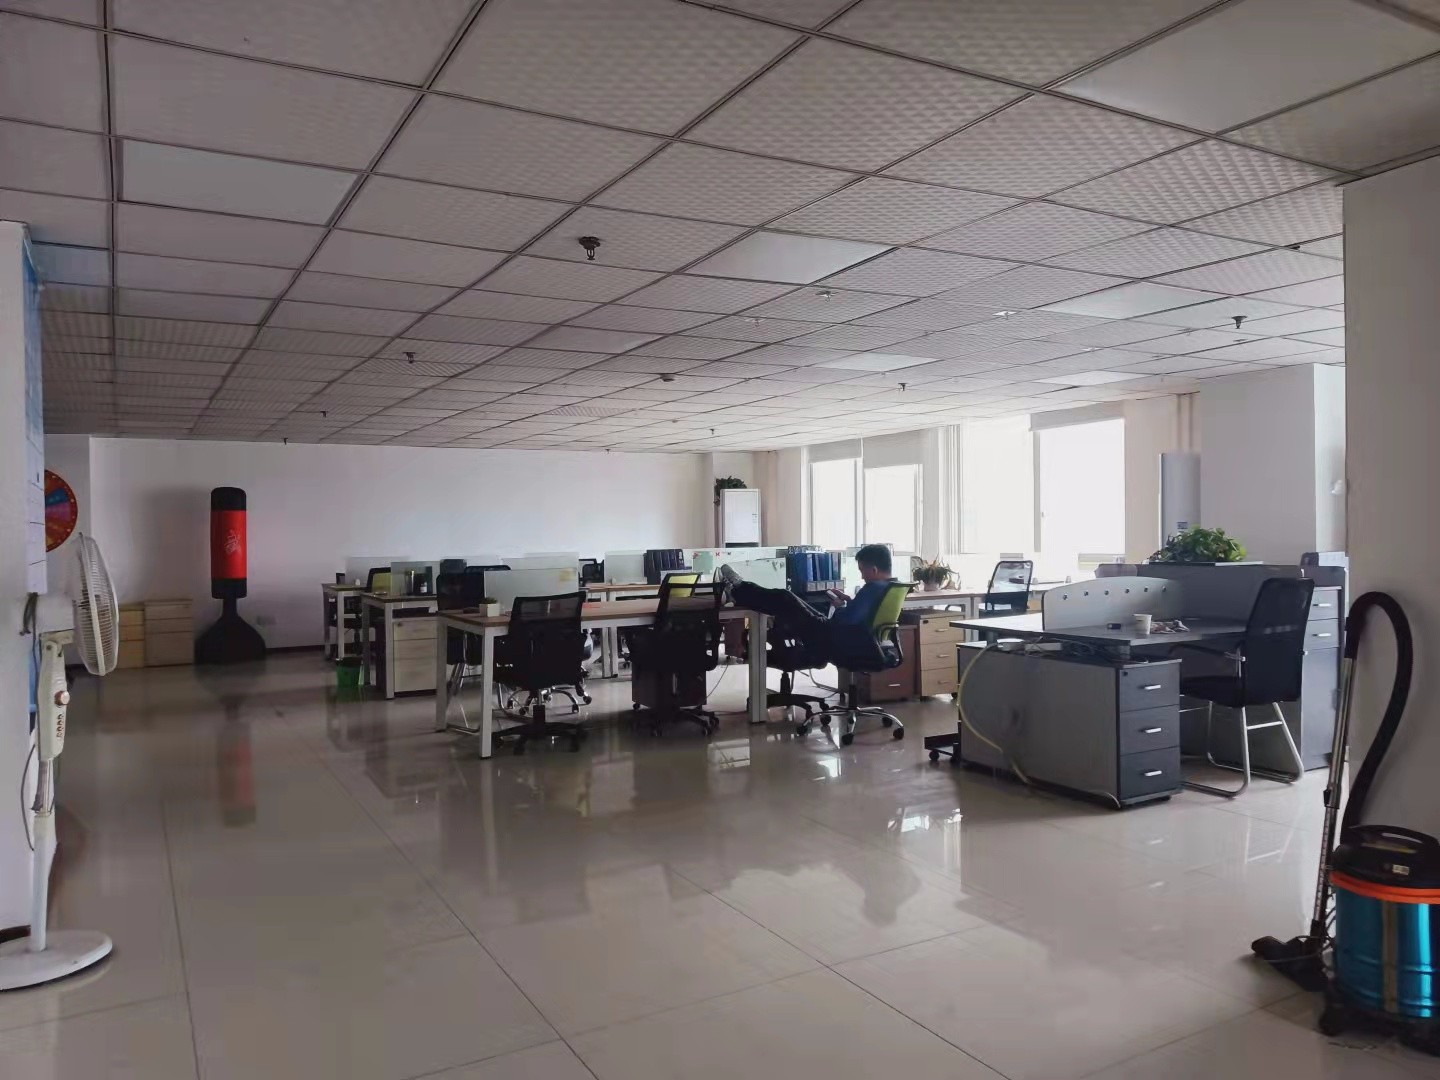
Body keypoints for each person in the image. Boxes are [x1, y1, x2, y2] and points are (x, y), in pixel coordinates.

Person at [721, 544, 897, 669]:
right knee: (793, 603)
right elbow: (866, 616)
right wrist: (848, 602)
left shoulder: (873, 588)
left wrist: (839, 606)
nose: (862, 576)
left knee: (785, 598)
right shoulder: (892, 588)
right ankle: (739, 591)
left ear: (874, 570)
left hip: (833, 635)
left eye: (862, 571)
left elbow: (846, 620)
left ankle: (738, 589)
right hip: (848, 638)